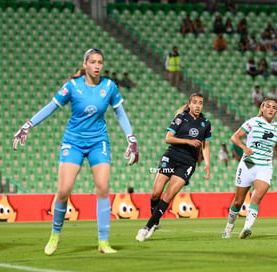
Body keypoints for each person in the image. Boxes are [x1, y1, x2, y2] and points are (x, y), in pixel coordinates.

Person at [12, 48, 139, 255]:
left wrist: (131, 138)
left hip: (99, 142)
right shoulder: (72, 86)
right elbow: (51, 107)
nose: (97, 66)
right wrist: (28, 125)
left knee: (103, 188)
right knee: (64, 191)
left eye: (100, 62)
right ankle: (55, 235)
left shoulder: (109, 87)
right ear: (85, 64)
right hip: (73, 143)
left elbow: (120, 113)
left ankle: (104, 242)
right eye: (93, 62)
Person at [135, 93, 211, 242]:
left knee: (168, 196)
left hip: (187, 164)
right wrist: (187, 142)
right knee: (156, 193)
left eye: (200, 103)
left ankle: (147, 227)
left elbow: (205, 147)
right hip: (171, 158)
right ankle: (155, 221)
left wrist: (207, 163)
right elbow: (168, 138)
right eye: (195, 102)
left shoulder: (205, 123)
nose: (197, 105)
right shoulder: (180, 118)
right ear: (189, 104)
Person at [222, 98, 277, 239]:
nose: (271, 109)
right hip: (249, 163)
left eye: (274, 107)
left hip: (265, 166)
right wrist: (244, 148)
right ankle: (229, 227)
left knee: (256, 197)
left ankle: (247, 228)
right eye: (268, 106)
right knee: (238, 201)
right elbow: (234, 137)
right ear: (263, 108)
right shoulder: (253, 122)